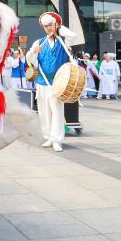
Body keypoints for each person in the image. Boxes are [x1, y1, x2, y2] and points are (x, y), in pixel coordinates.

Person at [26, 12, 74, 152]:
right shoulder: (38, 42)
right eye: (46, 26)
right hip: (42, 82)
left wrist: (59, 29)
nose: (48, 28)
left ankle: (57, 139)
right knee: (44, 111)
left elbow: (73, 36)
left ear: (55, 25)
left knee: (57, 111)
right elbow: (30, 61)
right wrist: (34, 52)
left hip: (58, 83)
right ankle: (49, 137)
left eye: (51, 25)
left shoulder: (64, 41)